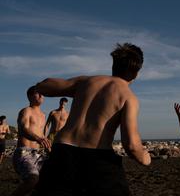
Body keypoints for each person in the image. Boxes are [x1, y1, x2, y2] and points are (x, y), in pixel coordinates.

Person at [32, 42, 151, 196]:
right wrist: (146, 158)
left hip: (62, 152)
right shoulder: (128, 97)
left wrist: (77, 90)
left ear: (114, 65)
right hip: (97, 157)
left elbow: (43, 86)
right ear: (136, 73)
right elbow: (132, 146)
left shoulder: (86, 82)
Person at [12, 86, 51, 196]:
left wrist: (47, 145)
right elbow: (24, 129)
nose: (41, 96)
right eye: (38, 93)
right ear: (30, 96)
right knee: (32, 180)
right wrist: (38, 138)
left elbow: (41, 134)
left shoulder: (43, 115)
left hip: (38, 154)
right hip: (24, 153)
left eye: (42, 94)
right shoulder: (26, 111)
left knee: (48, 181)